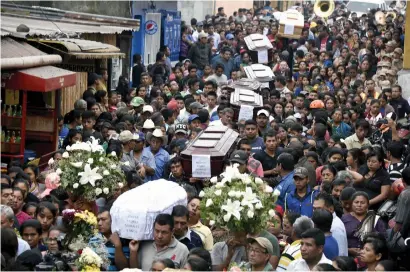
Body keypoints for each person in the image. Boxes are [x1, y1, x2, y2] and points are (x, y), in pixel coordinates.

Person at [341, 192, 386, 259]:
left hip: (370, 258)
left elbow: (383, 239)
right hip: (349, 257)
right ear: (352, 204)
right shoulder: (344, 219)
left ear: (367, 205)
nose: (359, 205)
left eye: (362, 203)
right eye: (356, 202)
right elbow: (339, 240)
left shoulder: (375, 220)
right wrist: (349, 250)